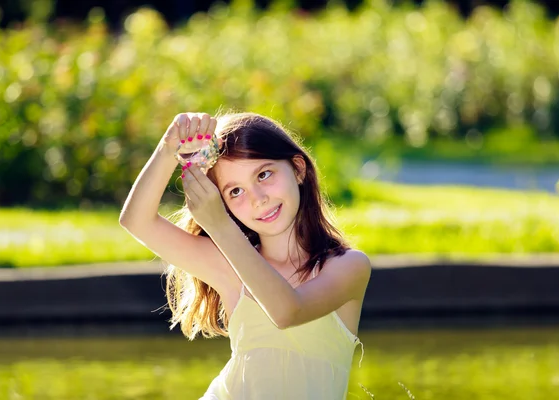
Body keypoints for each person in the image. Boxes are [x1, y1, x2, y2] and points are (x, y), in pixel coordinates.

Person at [119, 111, 371, 399]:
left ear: (298, 169)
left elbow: (288, 311)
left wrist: (219, 226)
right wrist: (167, 149)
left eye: (264, 174)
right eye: (235, 191)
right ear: (222, 203)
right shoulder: (229, 266)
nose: (258, 198)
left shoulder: (348, 267)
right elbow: (136, 221)